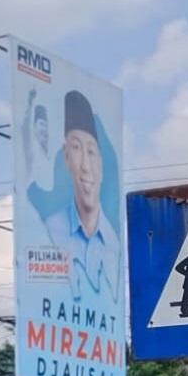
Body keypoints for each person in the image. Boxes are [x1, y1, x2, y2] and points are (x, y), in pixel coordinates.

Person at [42, 89, 120, 307]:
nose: (86, 166)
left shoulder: (113, 244)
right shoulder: (48, 231)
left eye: (91, 152)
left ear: (101, 163)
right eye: (76, 148)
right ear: (66, 156)